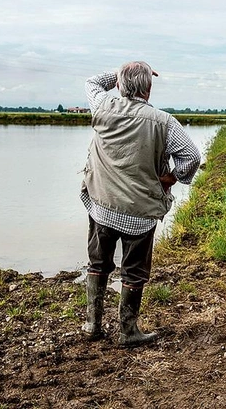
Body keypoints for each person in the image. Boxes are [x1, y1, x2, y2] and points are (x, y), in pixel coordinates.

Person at [79, 61, 201, 346]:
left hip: (101, 205)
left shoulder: (103, 106)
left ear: (120, 86)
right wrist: (171, 178)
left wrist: (120, 72)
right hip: (140, 212)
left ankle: (92, 326)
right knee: (133, 270)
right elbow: (192, 157)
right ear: (148, 88)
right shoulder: (163, 121)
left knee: (98, 264)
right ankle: (127, 331)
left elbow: (92, 82)